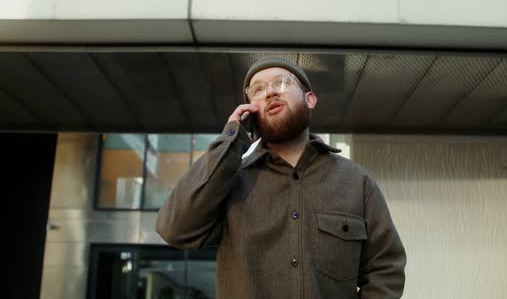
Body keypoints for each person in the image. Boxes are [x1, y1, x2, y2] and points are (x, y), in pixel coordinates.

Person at [156, 57, 406, 298]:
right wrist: (232, 139)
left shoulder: (356, 181)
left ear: (310, 99)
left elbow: (385, 268)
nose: (270, 92)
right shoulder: (230, 182)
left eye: (282, 83)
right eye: (258, 90)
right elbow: (174, 229)